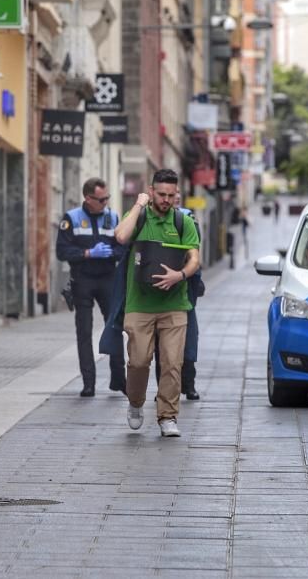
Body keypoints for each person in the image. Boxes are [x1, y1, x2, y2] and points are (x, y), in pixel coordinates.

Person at [115, 169, 200, 438]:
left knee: (173, 363)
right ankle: (136, 402)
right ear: (151, 192)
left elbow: (195, 258)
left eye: (171, 195)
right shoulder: (139, 216)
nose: (166, 199)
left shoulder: (182, 221)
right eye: (161, 194)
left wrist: (181, 275)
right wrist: (138, 204)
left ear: (177, 195)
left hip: (175, 304)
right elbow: (120, 236)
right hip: (139, 304)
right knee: (139, 361)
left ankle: (167, 416)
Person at [56, 177, 126, 397]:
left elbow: (124, 248)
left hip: (108, 278)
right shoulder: (72, 219)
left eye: (107, 198)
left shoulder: (113, 217)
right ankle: (89, 383)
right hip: (83, 279)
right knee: (84, 332)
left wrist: (112, 253)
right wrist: (86, 253)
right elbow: (62, 251)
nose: (105, 202)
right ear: (88, 198)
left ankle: (118, 379)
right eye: (101, 199)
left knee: (114, 327)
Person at [154, 191, 204, 400]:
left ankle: (189, 384)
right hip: (161, 282)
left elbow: (195, 251)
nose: (171, 199)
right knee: (161, 339)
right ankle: (162, 389)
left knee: (189, 337)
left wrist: (197, 278)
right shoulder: (152, 219)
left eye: (174, 195)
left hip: (185, 284)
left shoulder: (186, 219)